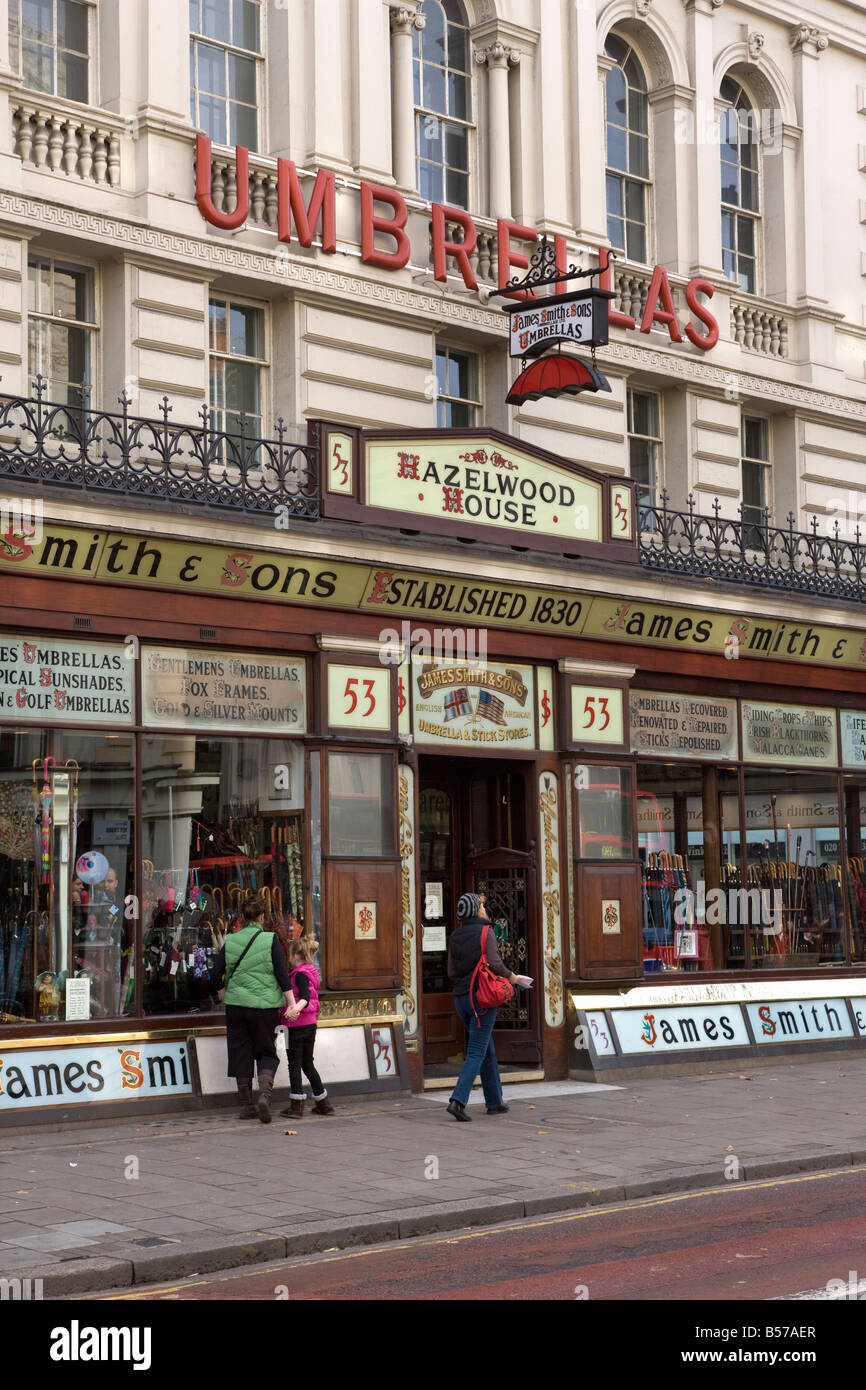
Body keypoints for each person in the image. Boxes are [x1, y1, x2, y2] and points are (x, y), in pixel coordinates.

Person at [445, 892, 532, 1122]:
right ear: (476, 910)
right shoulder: (486, 932)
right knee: (476, 1051)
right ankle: (458, 1101)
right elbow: (495, 964)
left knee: (485, 1047)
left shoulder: (455, 936)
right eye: (482, 906)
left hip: (461, 999)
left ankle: (494, 1101)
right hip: (481, 999)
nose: (485, 909)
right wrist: (514, 978)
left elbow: (451, 972)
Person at [211, 894, 293, 1123]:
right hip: (264, 1007)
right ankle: (264, 1098)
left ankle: (246, 1106)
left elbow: (214, 975)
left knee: (241, 1053)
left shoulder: (231, 940)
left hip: (236, 1007)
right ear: (261, 916)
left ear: (242, 917)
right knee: (266, 1051)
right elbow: (281, 974)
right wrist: (292, 1002)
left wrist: (222, 992)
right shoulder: (270, 939)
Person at [278, 934, 335, 1118]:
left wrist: (293, 1009)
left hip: (296, 1025)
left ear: (295, 956)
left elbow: (305, 997)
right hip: (310, 1024)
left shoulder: (299, 974)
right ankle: (323, 1103)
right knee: (307, 1063)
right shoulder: (311, 973)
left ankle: (296, 1106)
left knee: (294, 1065)